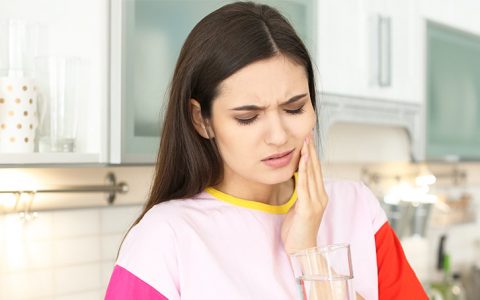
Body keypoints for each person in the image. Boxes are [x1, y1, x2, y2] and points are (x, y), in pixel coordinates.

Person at [105, 2, 427, 299]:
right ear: (201, 120)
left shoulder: (356, 208)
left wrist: (309, 256)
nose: (278, 135)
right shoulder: (164, 239)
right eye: (248, 117)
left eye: (294, 108)